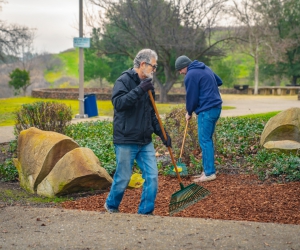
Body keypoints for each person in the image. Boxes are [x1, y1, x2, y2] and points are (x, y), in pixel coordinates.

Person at [104, 48, 172, 214]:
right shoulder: (124, 81)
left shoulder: (149, 85)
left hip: (145, 141)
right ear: (143, 64)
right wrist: (139, 89)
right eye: (153, 66)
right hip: (126, 140)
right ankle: (111, 206)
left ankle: (145, 212)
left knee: (152, 177)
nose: (154, 70)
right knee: (123, 178)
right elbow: (119, 104)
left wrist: (162, 134)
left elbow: (152, 113)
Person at [175, 55, 222, 182]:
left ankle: (209, 173)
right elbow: (219, 81)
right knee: (207, 140)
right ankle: (207, 170)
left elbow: (192, 96)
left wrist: (189, 111)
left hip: (206, 111)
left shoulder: (190, 75)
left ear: (185, 66)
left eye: (180, 70)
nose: (180, 73)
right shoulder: (205, 68)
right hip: (216, 108)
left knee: (204, 140)